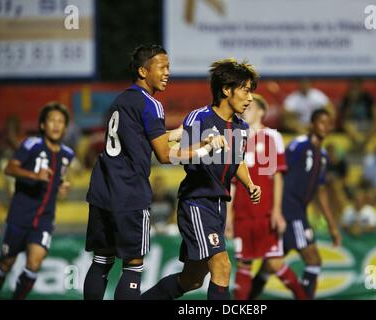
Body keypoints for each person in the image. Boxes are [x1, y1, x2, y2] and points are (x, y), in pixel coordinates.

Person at [83, 44, 226, 300]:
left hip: (101, 188)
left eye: (169, 67)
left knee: (102, 259)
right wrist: (204, 148)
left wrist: (175, 133)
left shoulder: (122, 100)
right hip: (128, 192)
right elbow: (164, 155)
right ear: (142, 71)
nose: (167, 73)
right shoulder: (152, 104)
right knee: (133, 264)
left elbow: (137, 138)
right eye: (162, 67)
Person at [141, 58, 261, 300]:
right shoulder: (200, 117)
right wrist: (205, 144)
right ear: (226, 90)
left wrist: (249, 184)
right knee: (222, 265)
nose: (250, 98)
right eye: (246, 91)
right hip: (197, 202)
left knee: (192, 279)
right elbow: (181, 156)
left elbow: (237, 161)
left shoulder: (242, 128)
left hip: (218, 206)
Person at [251, 108, 342, 300]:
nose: (325, 126)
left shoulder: (323, 156)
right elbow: (276, 172)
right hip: (289, 211)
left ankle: (246, 301)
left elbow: (321, 192)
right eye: (321, 122)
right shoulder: (299, 146)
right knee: (313, 260)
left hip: (299, 211)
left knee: (271, 263)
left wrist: (333, 226)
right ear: (312, 124)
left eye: (329, 123)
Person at [225, 94, 307, 300]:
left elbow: (277, 177)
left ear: (262, 111)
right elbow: (232, 183)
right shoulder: (235, 138)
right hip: (242, 214)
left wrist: (277, 211)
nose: (245, 109)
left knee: (274, 261)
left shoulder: (272, 137)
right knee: (243, 264)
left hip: (265, 212)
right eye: (243, 106)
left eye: (250, 106)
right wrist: (228, 217)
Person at [0, 102, 74, 299]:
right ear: (42, 125)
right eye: (52, 120)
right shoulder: (31, 145)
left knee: (34, 263)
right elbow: (9, 168)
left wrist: (62, 186)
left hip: (44, 220)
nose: (56, 125)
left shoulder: (67, 154)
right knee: (6, 263)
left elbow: (57, 179)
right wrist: (33, 175)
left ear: (65, 127)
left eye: (60, 122)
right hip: (19, 216)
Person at [340, 79, 376, 152]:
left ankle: (362, 144)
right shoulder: (348, 98)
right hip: (354, 124)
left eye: (357, 87)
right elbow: (344, 118)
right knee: (346, 124)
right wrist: (351, 102)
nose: (355, 89)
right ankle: (359, 143)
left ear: (361, 87)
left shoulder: (367, 97)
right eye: (353, 88)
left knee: (375, 124)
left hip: (367, 122)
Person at [324, 143, 350, 223]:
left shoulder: (341, 163)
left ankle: (340, 216)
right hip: (326, 187)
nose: (331, 154)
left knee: (336, 187)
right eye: (329, 152)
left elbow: (345, 179)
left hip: (339, 188)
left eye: (332, 152)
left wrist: (336, 181)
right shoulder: (324, 163)